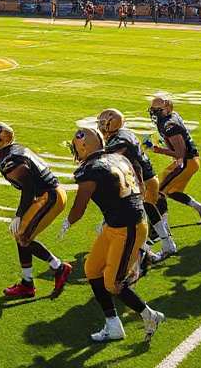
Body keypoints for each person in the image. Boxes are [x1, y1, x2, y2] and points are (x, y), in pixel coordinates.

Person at [58, 127, 165, 343]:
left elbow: (80, 206)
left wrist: (69, 221)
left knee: (113, 283)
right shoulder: (117, 157)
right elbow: (139, 178)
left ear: (85, 146)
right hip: (118, 224)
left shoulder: (90, 170)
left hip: (128, 228)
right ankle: (113, 325)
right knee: (91, 269)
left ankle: (151, 316)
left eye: (76, 147)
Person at [0, 123, 71, 298]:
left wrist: (19, 215)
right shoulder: (11, 152)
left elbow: (28, 188)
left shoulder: (12, 162)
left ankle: (58, 267)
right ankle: (27, 283)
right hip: (47, 194)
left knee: (22, 236)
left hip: (50, 197)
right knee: (20, 236)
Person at [97, 108, 176, 262]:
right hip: (147, 178)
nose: (99, 125)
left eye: (102, 122)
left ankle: (148, 250)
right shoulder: (123, 134)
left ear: (110, 124)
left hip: (143, 181)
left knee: (137, 217)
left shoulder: (118, 142)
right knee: (148, 213)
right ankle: (164, 244)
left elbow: (106, 158)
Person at [146, 97, 201, 225]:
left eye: (157, 110)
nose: (154, 112)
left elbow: (180, 154)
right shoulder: (167, 119)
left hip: (187, 162)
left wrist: (157, 150)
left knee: (160, 193)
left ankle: (162, 228)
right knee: (170, 191)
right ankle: (200, 208)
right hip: (186, 161)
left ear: (166, 109)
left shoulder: (170, 125)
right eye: (152, 109)